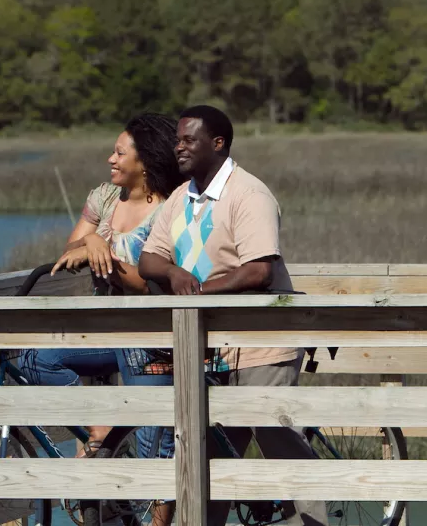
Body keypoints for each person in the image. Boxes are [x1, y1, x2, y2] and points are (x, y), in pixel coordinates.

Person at [139, 105, 329, 526]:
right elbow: (148, 259)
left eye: (189, 140)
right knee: (214, 455)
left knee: (277, 437)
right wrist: (173, 272)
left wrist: (200, 290)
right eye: (177, 140)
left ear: (218, 144)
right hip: (211, 346)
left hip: (263, 341)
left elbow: (259, 269)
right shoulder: (180, 197)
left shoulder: (249, 194)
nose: (179, 147)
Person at [19, 112, 182, 462]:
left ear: (146, 161)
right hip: (107, 332)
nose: (111, 159)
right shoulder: (106, 197)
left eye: (120, 153)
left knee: (153, 451)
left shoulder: (172, 208)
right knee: (33, 360)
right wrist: (91, 239)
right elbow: (69, 252)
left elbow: (144, 282)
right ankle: (101, 432)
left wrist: (103, 254)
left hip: (151, 341)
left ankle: (156, 513)